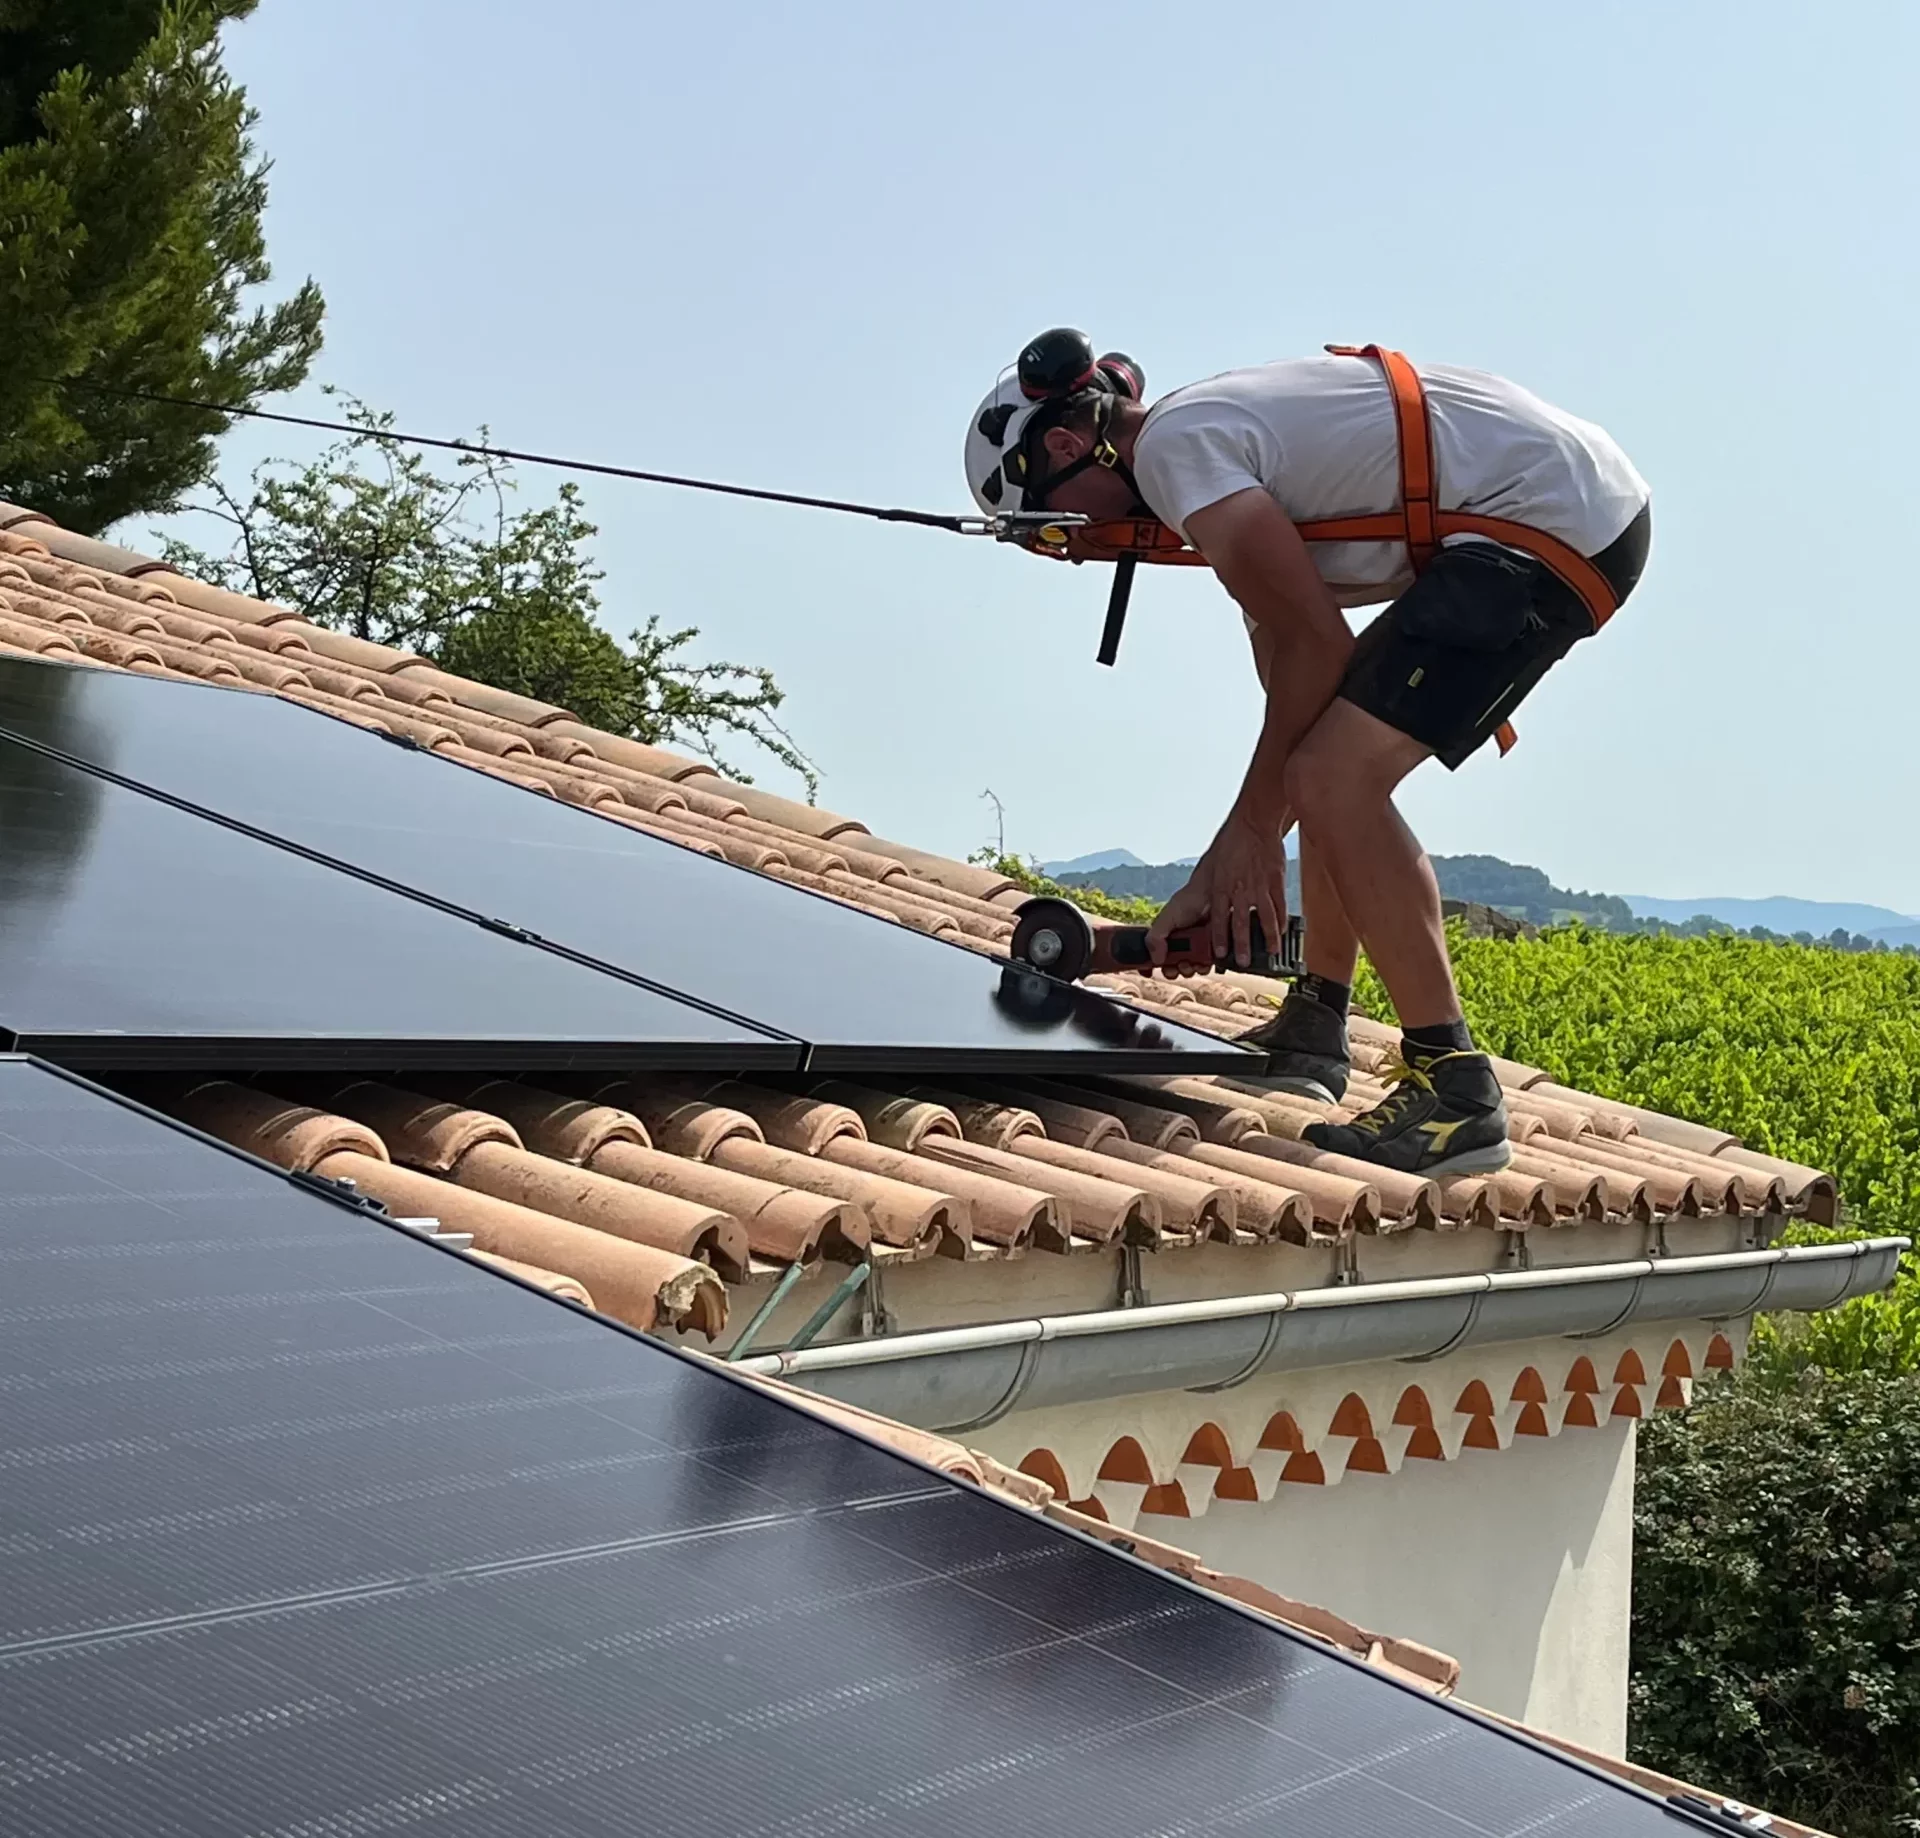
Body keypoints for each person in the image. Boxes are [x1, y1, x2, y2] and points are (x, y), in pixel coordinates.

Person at [965, 332, 1651, 1176]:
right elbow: (1301, 688)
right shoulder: (1221, 457)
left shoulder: (1180, 454)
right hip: (1564, 506)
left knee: (1334, 777)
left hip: (1550, 521)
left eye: (1062, 520)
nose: (1085, 542)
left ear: (1069, 447)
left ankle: (1457, 1090)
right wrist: (1231, 863)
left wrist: (1246, 840)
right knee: (1327, 765)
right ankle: (1318, 1020)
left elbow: (1314, 655)